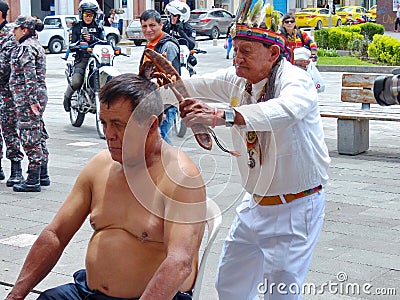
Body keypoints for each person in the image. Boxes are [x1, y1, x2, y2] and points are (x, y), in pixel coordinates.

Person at [5, 73, 206, 300]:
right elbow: (56, 234)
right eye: (104, 123)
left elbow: (180, 262)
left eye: (118, 125)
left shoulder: (181, 177)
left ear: (151, 125)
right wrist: (15, 295)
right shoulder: (100, 166)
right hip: (88, 292)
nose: (109, 135)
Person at [179, 2, 330, 299]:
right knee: (230, 284)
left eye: (246, 51)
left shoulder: (296, 80)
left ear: (273, 53)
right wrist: (149, 88)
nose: (237, 58)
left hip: (295, 208)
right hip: (255, 204)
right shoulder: (238, 81)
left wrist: (224, 116)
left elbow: (285, 110)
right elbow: (191, 84)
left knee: (280, 295)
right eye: (235, 50)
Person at [9, 15, 49, 193]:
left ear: (25, 30)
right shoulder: (35, 45)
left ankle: (33, 179)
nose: (13, 32)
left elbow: (29, 77)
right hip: (34, 96)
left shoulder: (26, 48)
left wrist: (32, 101)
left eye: (16, 29)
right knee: (38, 132)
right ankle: (43, 174)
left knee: (30, 136)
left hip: (27, 98)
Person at [140, 9, 180, 145]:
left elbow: (168, 77)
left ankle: (172, 165)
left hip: (165, 103)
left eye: (152, 25)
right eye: (144, 26)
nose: (148, 30)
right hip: (151, 101)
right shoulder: (150, 45)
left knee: (163, 141)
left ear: (161, 25)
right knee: (155, 141)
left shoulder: (168, 46)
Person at [63, 0, 104, 112]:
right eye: (86, 14)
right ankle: (67, 97)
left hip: (97, 58)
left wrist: (93, 39)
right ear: (82, 14)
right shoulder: (76, 27)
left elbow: (104, 41)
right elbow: (71, 43)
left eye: (91, 15)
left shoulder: (99, 27)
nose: (88, 17)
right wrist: (79, 44)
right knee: (76, 82)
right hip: (83, 58)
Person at [0, 0, 25, 186]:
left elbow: (5, 67)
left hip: (7, 92)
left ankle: (16, 168)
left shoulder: (10, 36)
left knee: (9, 130)